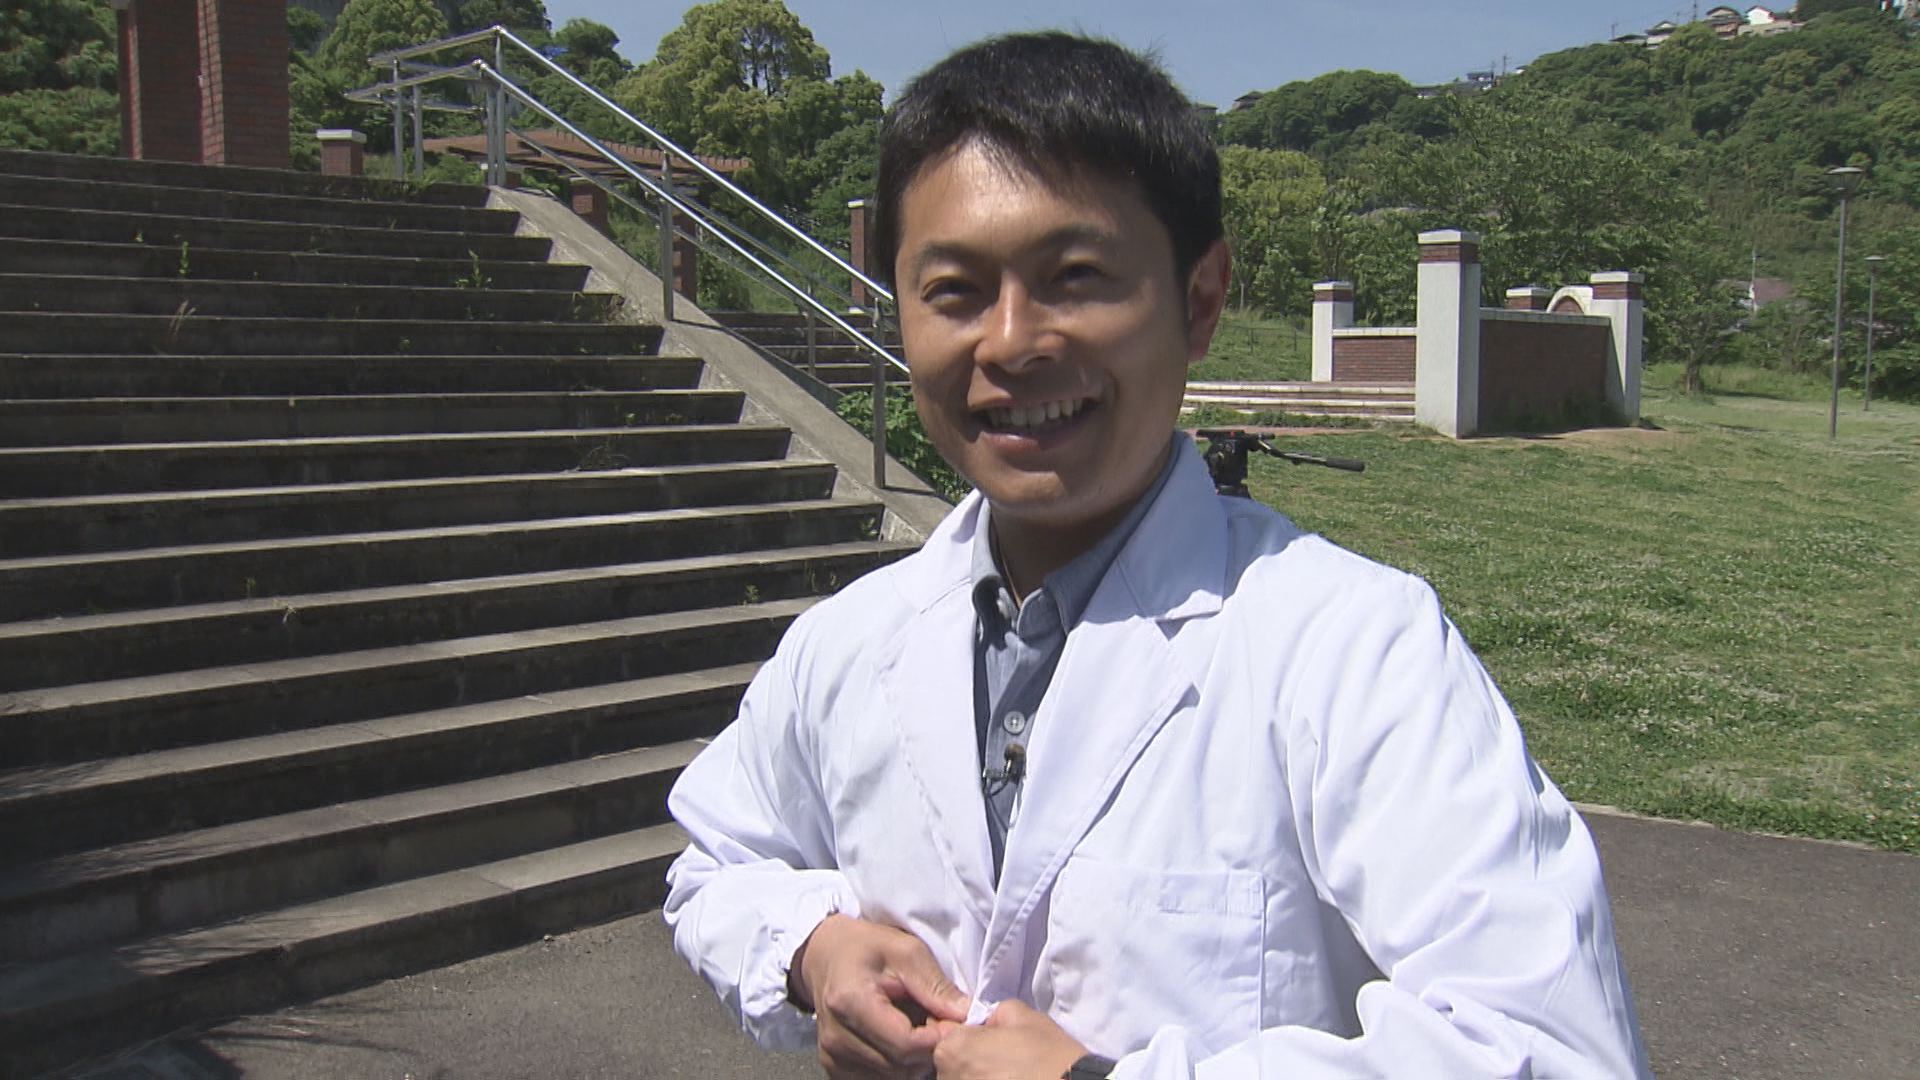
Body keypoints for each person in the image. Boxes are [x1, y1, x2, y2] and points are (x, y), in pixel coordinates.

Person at [663, 31, 1650, 1080]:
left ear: (1198, 299)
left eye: (1076, 277)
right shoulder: (847, 644)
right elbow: (716, 861)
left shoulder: (1355, 651)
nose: (1011, 341)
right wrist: (814, 949)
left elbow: (1553, 1045)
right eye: (954, 290)